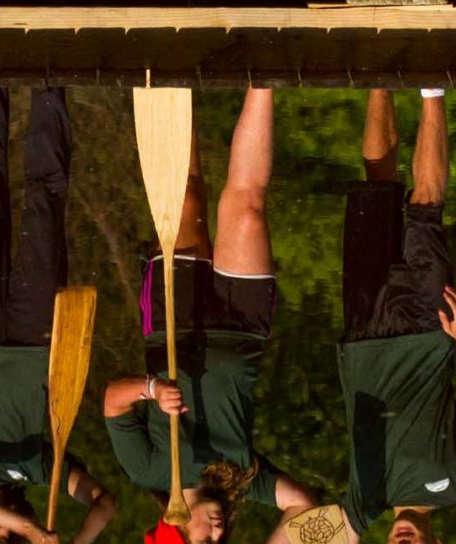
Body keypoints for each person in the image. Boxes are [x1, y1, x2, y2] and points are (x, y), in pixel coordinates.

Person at [102, 89, 317, 541]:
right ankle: (263, 75)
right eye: (221, 543)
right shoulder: (242, 482)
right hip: (245, 329)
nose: (217, 534)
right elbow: (304, 507)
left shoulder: (147, 469)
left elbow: (111, 401)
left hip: (173, 323)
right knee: (247, 208)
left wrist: (152, 390)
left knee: (187, 195)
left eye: (204, 542)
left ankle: (174, 73)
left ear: (176, 529)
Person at [0, 87, 117, 544]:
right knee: (46, 199)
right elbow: (105, 503)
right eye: (1, 540)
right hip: (38, 331)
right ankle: (49, 81)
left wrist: (30, 530)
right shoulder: (41, 471)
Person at [341, 89, 456, 544]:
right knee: (425, 208)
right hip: (428, 332)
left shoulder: (364, 504)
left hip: (362, 335)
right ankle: (432, 85)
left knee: (377, 186)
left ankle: (377, 76)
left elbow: (293, 533)